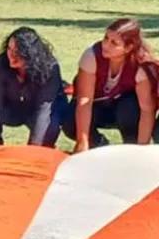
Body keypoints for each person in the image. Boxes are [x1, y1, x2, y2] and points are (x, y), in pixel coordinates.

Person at [63, 18, 158, 151]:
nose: (106, 45)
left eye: (114, 43)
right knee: (69, 122)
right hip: (96, 106)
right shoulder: (91, 56)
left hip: (124, 110)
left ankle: (131, 149)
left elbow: (147, 110)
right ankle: (99, 146)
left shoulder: (141, 65)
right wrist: (82, 142)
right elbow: (85, 100)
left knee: (130, 108)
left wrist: (141, 149)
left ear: (128, 47)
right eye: (106, 38)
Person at [0, 27, 67, 148]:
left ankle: (42, 153)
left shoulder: (50, 67)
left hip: (40, 110)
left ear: (30, 54)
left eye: (17, 52)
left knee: (51, 126)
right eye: (9, 49)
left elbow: (44, 110)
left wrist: (32, 148)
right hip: (12, 108)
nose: (11, 55)